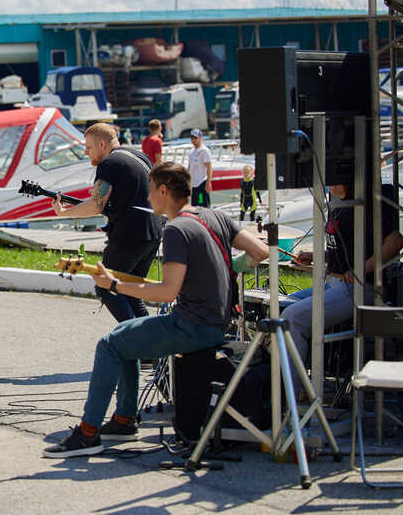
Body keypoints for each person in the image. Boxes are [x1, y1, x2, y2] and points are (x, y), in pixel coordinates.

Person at [44, 162, 269, 458]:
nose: (148, 198)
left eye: (150, 191)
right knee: (123, 335)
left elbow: (166, 292)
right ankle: (124, 420)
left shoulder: (176, 229)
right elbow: (261, 252)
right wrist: (231, 268)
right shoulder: (216, 216)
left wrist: (113, 285)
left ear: (163, 190)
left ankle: (88, 434)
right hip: (218, 322)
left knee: (109, 346)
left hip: (192, 326)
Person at [284, 183, 403, 382]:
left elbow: (396, 241)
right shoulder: (339, 205)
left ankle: (292, 394)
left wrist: (361, 270)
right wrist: (315, 255)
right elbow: (344, 251)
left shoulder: (365, 204)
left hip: (360, 287)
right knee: (284, 304)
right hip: (335, 283)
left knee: (292, 317)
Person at [52, 122, 162, 322]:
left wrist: (63, 212)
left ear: (102, 144)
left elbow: (95, 205)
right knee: (130, 292)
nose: (86, 152)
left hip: (129, 236)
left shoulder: (109, 163)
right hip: (153, 233)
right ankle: (148, 347)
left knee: (105, 286)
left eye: (88, 147)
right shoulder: (140, 156)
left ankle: (130, 340)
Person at [187, 128, 212, 207]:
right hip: (193, 184)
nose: (193, 140)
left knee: (202, 206)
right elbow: (189, 167)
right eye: (192, 138)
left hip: (201, 183)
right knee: (194, 206)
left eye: (195, 138)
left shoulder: (204, 151)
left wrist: (208, 182)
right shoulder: (191, 151)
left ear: (200, 138)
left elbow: (209, 167)